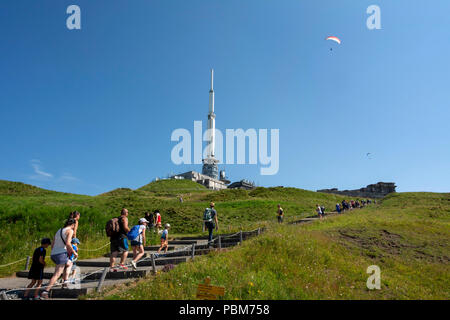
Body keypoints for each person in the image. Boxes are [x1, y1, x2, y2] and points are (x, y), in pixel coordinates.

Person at [41, 219, 78, 299]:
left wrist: (54, 252)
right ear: (73, 225)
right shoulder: (70, 231)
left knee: (69, 263)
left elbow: (53, 243)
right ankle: (45, 291)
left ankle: (65, 282)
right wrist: (74, 253)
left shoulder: (59, 230)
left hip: (54, 254)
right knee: (57, 274)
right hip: (61, 254)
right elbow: (68, 243)